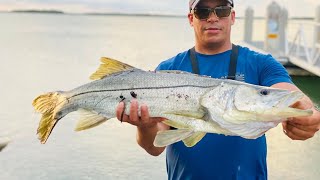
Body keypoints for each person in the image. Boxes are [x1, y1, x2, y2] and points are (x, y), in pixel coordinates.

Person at [116, 0, 320, 179]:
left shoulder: (261, 63)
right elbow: (154, 147)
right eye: (203, 12)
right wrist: (144, 125)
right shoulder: (167, 71)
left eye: (221, 10)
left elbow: (289, 93)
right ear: (191, 19)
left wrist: (307, 113)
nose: (212, 18)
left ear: (232, 17)